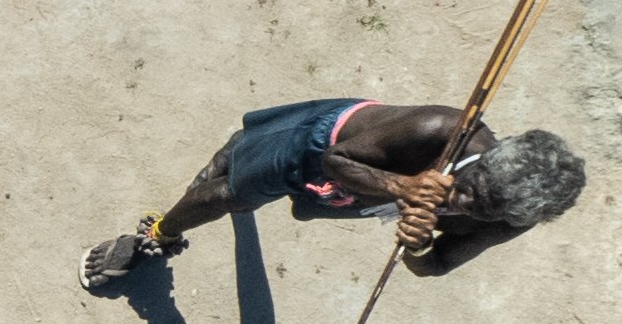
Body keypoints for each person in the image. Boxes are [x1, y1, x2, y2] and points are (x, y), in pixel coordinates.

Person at [84, 105, 589, 292]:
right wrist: (403, 187)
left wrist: (415, 244)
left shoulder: (514, 217)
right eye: (470, 188)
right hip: (333, 148)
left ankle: (244, 153)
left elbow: (437, 264)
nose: (462, 203)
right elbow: (335, 163)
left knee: (271, 184)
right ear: (490, 155)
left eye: (485, 210)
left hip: (359, 194)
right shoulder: (443, 130)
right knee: (228, 193)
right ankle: (159, 233)